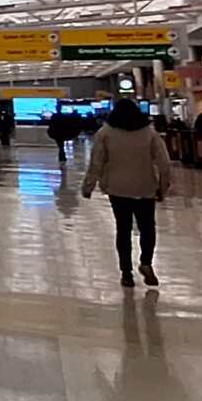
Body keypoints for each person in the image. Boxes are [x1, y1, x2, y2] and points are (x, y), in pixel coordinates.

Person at [82, 100, 174, 287]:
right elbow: (164, 163)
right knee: (147, 227)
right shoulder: (149, 133)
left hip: (117, 188)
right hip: (145, 187)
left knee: (123, 229)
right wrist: (163, 188)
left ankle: (126, 273)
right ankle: (146, 262)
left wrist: (88, 186)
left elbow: (96, 163)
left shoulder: (105, 133)